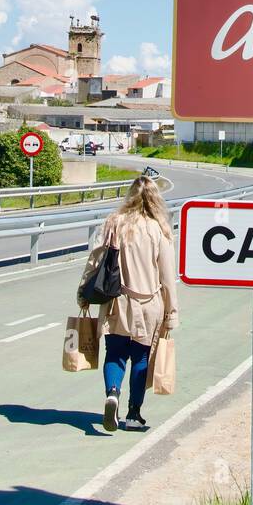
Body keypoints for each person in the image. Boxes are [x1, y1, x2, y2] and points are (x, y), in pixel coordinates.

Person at [78, 175, 178, 433]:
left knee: (115, 353)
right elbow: (167, 277)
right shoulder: (159, 230)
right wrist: (172, 312)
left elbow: (95, 260)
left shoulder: (114, 223)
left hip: (116, 301)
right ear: (156, 199)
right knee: (141, 357)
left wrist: (83, 291)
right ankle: (134, 413)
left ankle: (113, 393)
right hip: (149, 303)